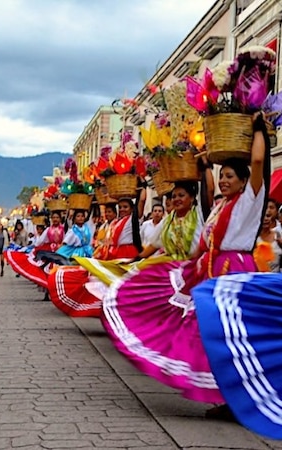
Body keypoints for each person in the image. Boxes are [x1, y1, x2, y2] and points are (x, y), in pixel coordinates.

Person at [101, 113, 268, 407]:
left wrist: (257, 130)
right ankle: (224, 395)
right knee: (206, 332)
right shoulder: (220, 207)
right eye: (223, 176)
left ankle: (238, 396)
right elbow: (201, 244)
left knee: (229, 335)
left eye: (231, 176)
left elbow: (257, 163)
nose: (225, 181)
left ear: (245, 182)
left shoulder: (251, 200)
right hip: (210, 268)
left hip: (234, 270)